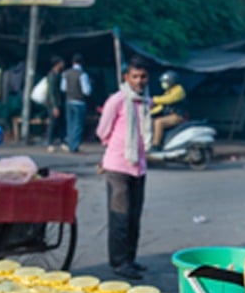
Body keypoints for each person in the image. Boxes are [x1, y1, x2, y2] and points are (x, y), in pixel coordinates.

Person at [96, 56, 152, 280]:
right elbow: (103, 131)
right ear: (126, 77)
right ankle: (119, 262)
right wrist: (117, 147)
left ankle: (130, 258)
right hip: (118, 166)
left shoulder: (146, 101)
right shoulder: (117, 100)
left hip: (139, 166)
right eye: (135, 76)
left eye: (143, 76)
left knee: (134, 217)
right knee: (120, 216)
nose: (139, 81)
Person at [61, 53, 92, 153]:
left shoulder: (65, 73)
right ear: (82, 63)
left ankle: (70, 144)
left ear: (72, 62)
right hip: (79, 102)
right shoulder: (83, 74)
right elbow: (86, 91)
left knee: (70, 124)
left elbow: (63, 88)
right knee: (78, 125)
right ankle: (74, 146)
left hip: (69, 101)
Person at [149, 70, 187, 151]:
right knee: (150, 121)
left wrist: (154, 100)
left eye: (165, 82)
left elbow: (168, 100)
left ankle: (156, 146)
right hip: (170, 115)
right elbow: (161, 106)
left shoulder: (179, 90)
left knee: (159, 122)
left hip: (178, 116)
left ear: (171, 81)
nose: (163, 83)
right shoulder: (168, 91)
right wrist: (149, 112)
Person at [44, 55, 67, 152]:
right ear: (57, 64)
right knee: (53, 123)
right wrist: (54, 106)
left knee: (60, 123)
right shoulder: (52, 75)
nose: (63, 64)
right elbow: (51, 92)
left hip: (59, 103)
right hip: (54, 104)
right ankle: (49, 143)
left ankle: (62, 142)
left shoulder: (59, 74)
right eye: (61, 62)